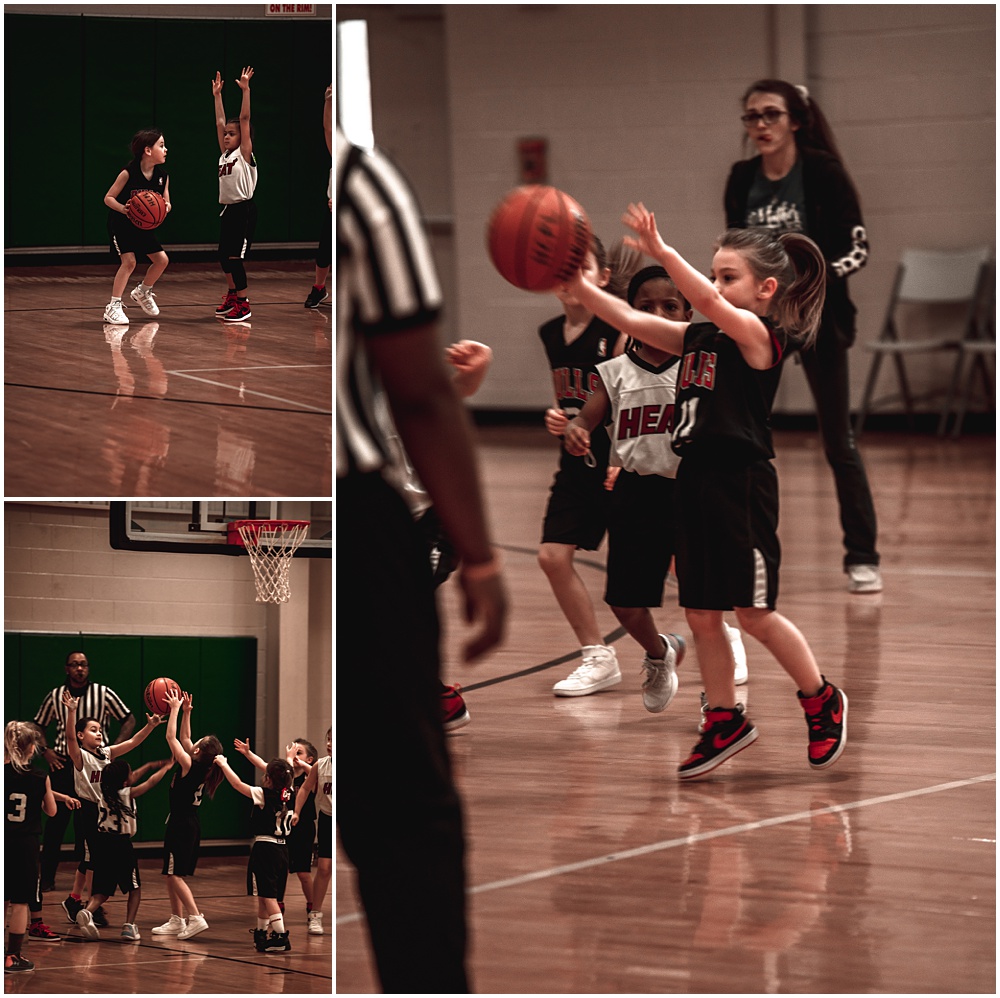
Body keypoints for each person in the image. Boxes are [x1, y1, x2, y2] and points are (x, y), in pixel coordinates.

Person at [564, 203, 848, 779]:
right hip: (691, 482)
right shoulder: (696, 337)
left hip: (740, 485)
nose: (715, 287)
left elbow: (713, 305)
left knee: (755, 613)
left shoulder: (761, 338)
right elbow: (636, 323)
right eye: (713, 273)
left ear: (766, 289)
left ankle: (820, 699)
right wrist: (577, 288)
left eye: (727, 275)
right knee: (700, 613)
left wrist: (663, 251)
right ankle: (725, 719)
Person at [338, 126, 507, 992]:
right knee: (408, 812)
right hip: (359, 514)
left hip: (344, 510)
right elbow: (413, 393)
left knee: (369, 801)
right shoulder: (361, 187)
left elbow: (403, 383)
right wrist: (480, 559)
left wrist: (452, 383)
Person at [561, 266, 749, 715]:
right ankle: (659, 653)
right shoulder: (614, 371)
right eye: (646, 308)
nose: (659, 314)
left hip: (693, 492)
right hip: (635, 493)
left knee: (701, 604)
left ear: (687, 313)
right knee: (625, 602)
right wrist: (577, 427)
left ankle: (716, 693)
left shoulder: (700, 365)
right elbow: (587, 416)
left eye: (670, 307)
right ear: (631, 314)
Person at [724, 79, 881, 594]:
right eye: (752, 117)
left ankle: (862, 556)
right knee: (742, 436)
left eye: (771, 114)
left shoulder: (822, 171)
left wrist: (810, 284)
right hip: (763, 320)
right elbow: (737, 253)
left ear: (795, 120)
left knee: (839, 441)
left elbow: (858, 249)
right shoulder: (741, 177)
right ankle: (741, 550)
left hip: (818, 319)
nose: (761, 125)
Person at [377, 338, 496, 731]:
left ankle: (437, 699)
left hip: (432, 520)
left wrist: (475, 371)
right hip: (391, 523)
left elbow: (453, 392)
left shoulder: (401, 386)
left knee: (404, 607)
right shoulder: (353, 399)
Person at [536, 234, 628, 697]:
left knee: (670, 559)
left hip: (624, 465)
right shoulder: (551, 333)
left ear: (603, 277)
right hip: (576, 465)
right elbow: (568, 399)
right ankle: (598, 654)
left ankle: (724, 633)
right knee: (552, 557)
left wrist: (618, 452)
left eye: (580, 268)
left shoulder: (620, 329)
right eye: (561, 269)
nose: (569, 279)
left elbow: (623, 396)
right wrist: (558, 419)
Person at [33, 651, 134, 904]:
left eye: (83, 664)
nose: (80, 668)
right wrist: (45, 752)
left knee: (87, 829)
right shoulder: (57, 695)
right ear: (67, 669)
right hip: (64, 763)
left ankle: (86, 881)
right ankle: (47, 878)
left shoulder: (104, 693)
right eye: (75, 665)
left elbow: (129, 719)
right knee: (55, 825)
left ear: (88, 668)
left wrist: (111, 750)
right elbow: (37, 725)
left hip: (95, 762)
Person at [61, 689, 163, 929]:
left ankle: (83, 902)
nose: (98, 733)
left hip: (107, 809)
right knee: (90, 859)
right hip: (88, 811)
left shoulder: (106, 753)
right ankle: (81, 902)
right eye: (92, 730)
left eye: (99, 729)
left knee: (96, 860)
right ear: (80, 735)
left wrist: (151, 726)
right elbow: (69, 738)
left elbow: (132, 742)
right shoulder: (80, 757)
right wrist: (72, 711)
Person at [73, 757, 173, 941]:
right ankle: (129, 926)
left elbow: (133, 776)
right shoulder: (127, 793)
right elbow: (150, 783)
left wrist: (150, 764)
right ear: (125, 781)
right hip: (121, 845)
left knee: (102, 890)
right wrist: (164, 769)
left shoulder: (103, 794)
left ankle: (87, 912)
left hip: (103, 844)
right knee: (134, 888)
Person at [151, 690, 224, 941]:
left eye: (197, 743)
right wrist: (186, 713)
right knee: (172, 873)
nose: (192, 742)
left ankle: (195, 917)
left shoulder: (188, 765)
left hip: (181, 825)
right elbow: (185, 736)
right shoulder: (200, 765)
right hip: (189, 823)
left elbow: (171, 736)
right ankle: (176, 919)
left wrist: (172, 708)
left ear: (197, 751)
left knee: (174, 874)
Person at [232, 736, 320, 933]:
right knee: (278, 876)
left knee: (304, 872)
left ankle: (313, 908)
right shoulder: (284, 781)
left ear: (310, 760)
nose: (295, 757)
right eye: (293, 753)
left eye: (300, 753)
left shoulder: (308, 776)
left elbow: (315, 775)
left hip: (302, 828)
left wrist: (296, 763)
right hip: (284, 833)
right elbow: (265, 765)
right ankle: (276, 907)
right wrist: (247, 753)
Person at [213, 753, 295, 953]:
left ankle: (281, 937)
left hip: (265, 849)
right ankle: (261, 931)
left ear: (268, 778)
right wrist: (289, 759)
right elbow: (285, 773)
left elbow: (237, 784)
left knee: (268, 897)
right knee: (264, 896)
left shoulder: (263, 794)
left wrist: (224, 764)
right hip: (283, 850)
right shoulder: (289, 793)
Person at [102, 129, 172, 325]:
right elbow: (108, 198)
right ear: (147, 150)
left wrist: (165, 207)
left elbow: (167, 202)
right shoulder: (128, 173)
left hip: (143, 226)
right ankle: (113, 306)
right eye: (161, 145)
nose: (166, 149)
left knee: (162, 260)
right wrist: (123, 209)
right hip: (122, 224)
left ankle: (142, 291)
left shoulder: (162, 177)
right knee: (129, 262)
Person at [5, 721, 59, 973]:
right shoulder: (39, 777)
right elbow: (51, 810)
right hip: (24, 844)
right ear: (30, 748)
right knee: (19, 902)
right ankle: (12, 956)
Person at [212, 66, 257, 322]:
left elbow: (245, 119)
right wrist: (217, 96)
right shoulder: (224, 154)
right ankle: (232, 294)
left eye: (232, 134)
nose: (227, 137)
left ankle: (244, 303)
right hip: (228, 209)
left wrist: (245, 90)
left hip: (244, 210)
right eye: (226, 135)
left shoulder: (244, 153)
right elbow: (220, 122)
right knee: (223, 255)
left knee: (234, 257)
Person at [290, 728, 331, 936]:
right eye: (329, 740)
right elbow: (305, 788)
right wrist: (296, 812)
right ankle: (315, 914)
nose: (330, 744)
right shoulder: (320, 765)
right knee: (323, 868)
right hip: (327, 818)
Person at [305, 85, 333, 309]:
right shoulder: (339, 154)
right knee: (324, 252)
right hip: (333, 210)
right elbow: (327, 129)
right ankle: (319, 288)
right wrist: (328, 102)